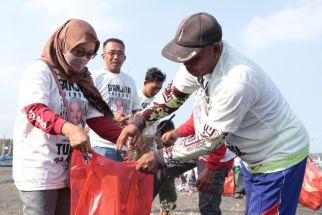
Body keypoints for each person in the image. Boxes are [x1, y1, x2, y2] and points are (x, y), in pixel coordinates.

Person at [116, 12, 310, 215]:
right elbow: (173, 96)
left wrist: (159, 157)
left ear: (215, 49)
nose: (187, 67)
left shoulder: (235, 81)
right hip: (252, 158)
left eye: (192, 60)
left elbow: (209, 140)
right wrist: (139, 121)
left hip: (277, 158)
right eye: (183, 61)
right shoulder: (197, 62)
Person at [13, 19, 122, 215]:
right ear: (63, 44)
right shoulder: (39, 71)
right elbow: (35, 110)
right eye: (78, 51)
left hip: (70, 168)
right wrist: (70, 128)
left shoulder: (82, 79)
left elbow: (96, 120)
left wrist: (125, 138)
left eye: (90, 54)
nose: (83, 59)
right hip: (40, 169)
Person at [154, 120, 177, 215]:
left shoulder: (165, 146)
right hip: (166, 178)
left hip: (168, 178)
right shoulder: (163, 146)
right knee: (168, 199)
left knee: (167, 201)